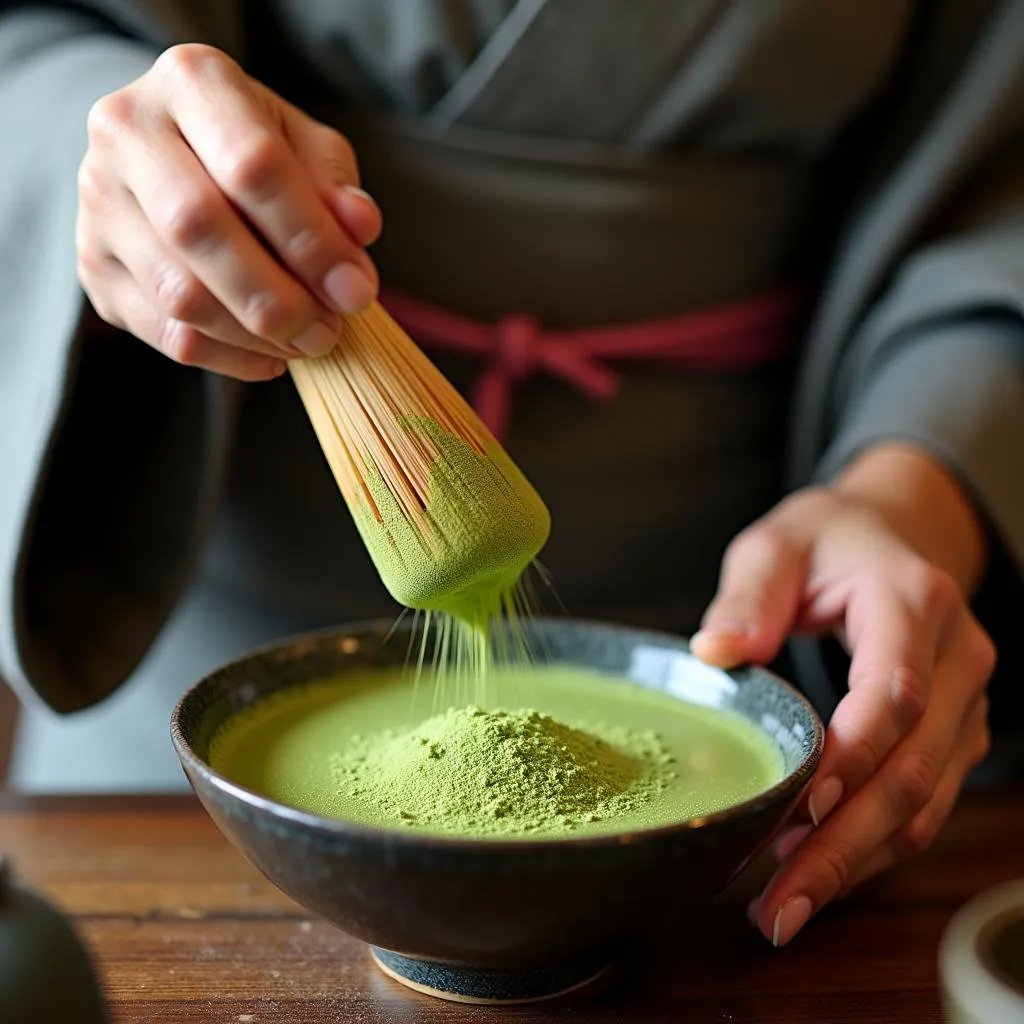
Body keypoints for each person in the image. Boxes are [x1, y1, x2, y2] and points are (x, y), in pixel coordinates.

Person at [1, 0, 1022, 951]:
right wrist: (116, 148)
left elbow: (997, 178)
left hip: (757, 685)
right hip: (190, 738)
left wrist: (910, 487)